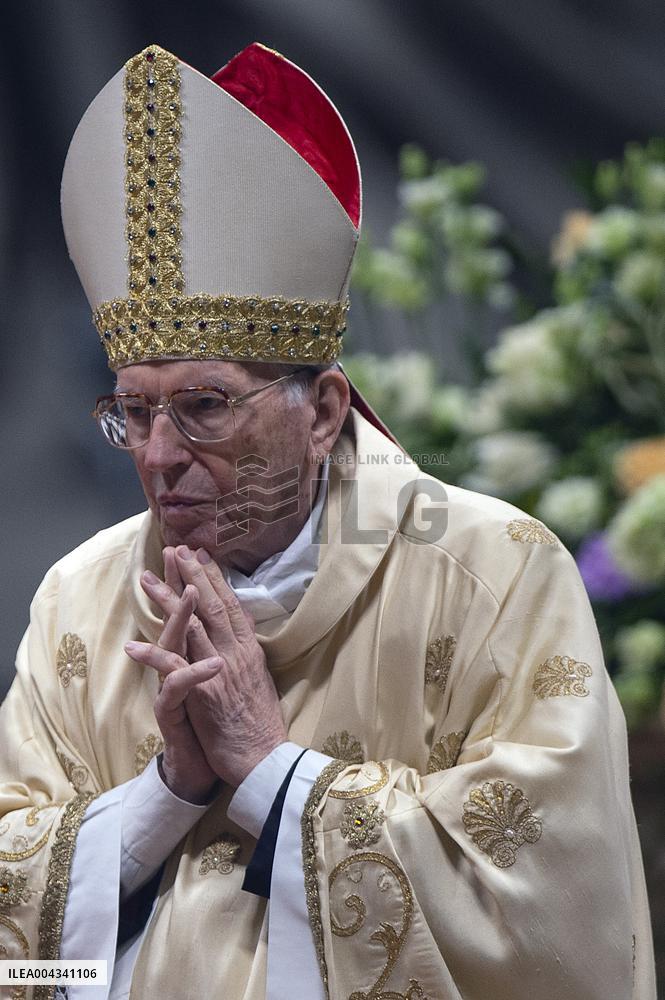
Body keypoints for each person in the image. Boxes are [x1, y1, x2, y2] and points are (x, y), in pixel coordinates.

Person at [0, 41, 656, 1000]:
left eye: (205, 406)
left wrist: (270, 770)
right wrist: (165, 794)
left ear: (322, 410)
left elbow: (550, 915)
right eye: (134, 412)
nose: (157, 454)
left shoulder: (491, 572)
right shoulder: (81, 601)